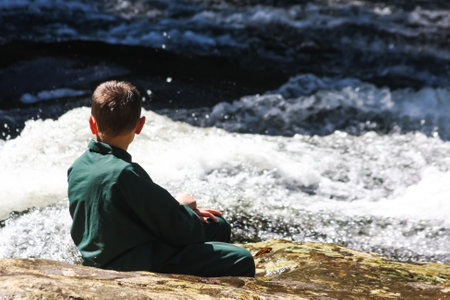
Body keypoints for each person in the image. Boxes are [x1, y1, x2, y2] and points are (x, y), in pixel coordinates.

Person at [67, 81, 255, 277]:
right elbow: (179, 229)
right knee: (241, 257)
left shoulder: (77, 167)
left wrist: (179, 211)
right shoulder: (125, 173)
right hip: (135, 263)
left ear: (92, 123)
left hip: (100, 257)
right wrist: (184, 207)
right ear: (140, 125)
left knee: (217, 227)